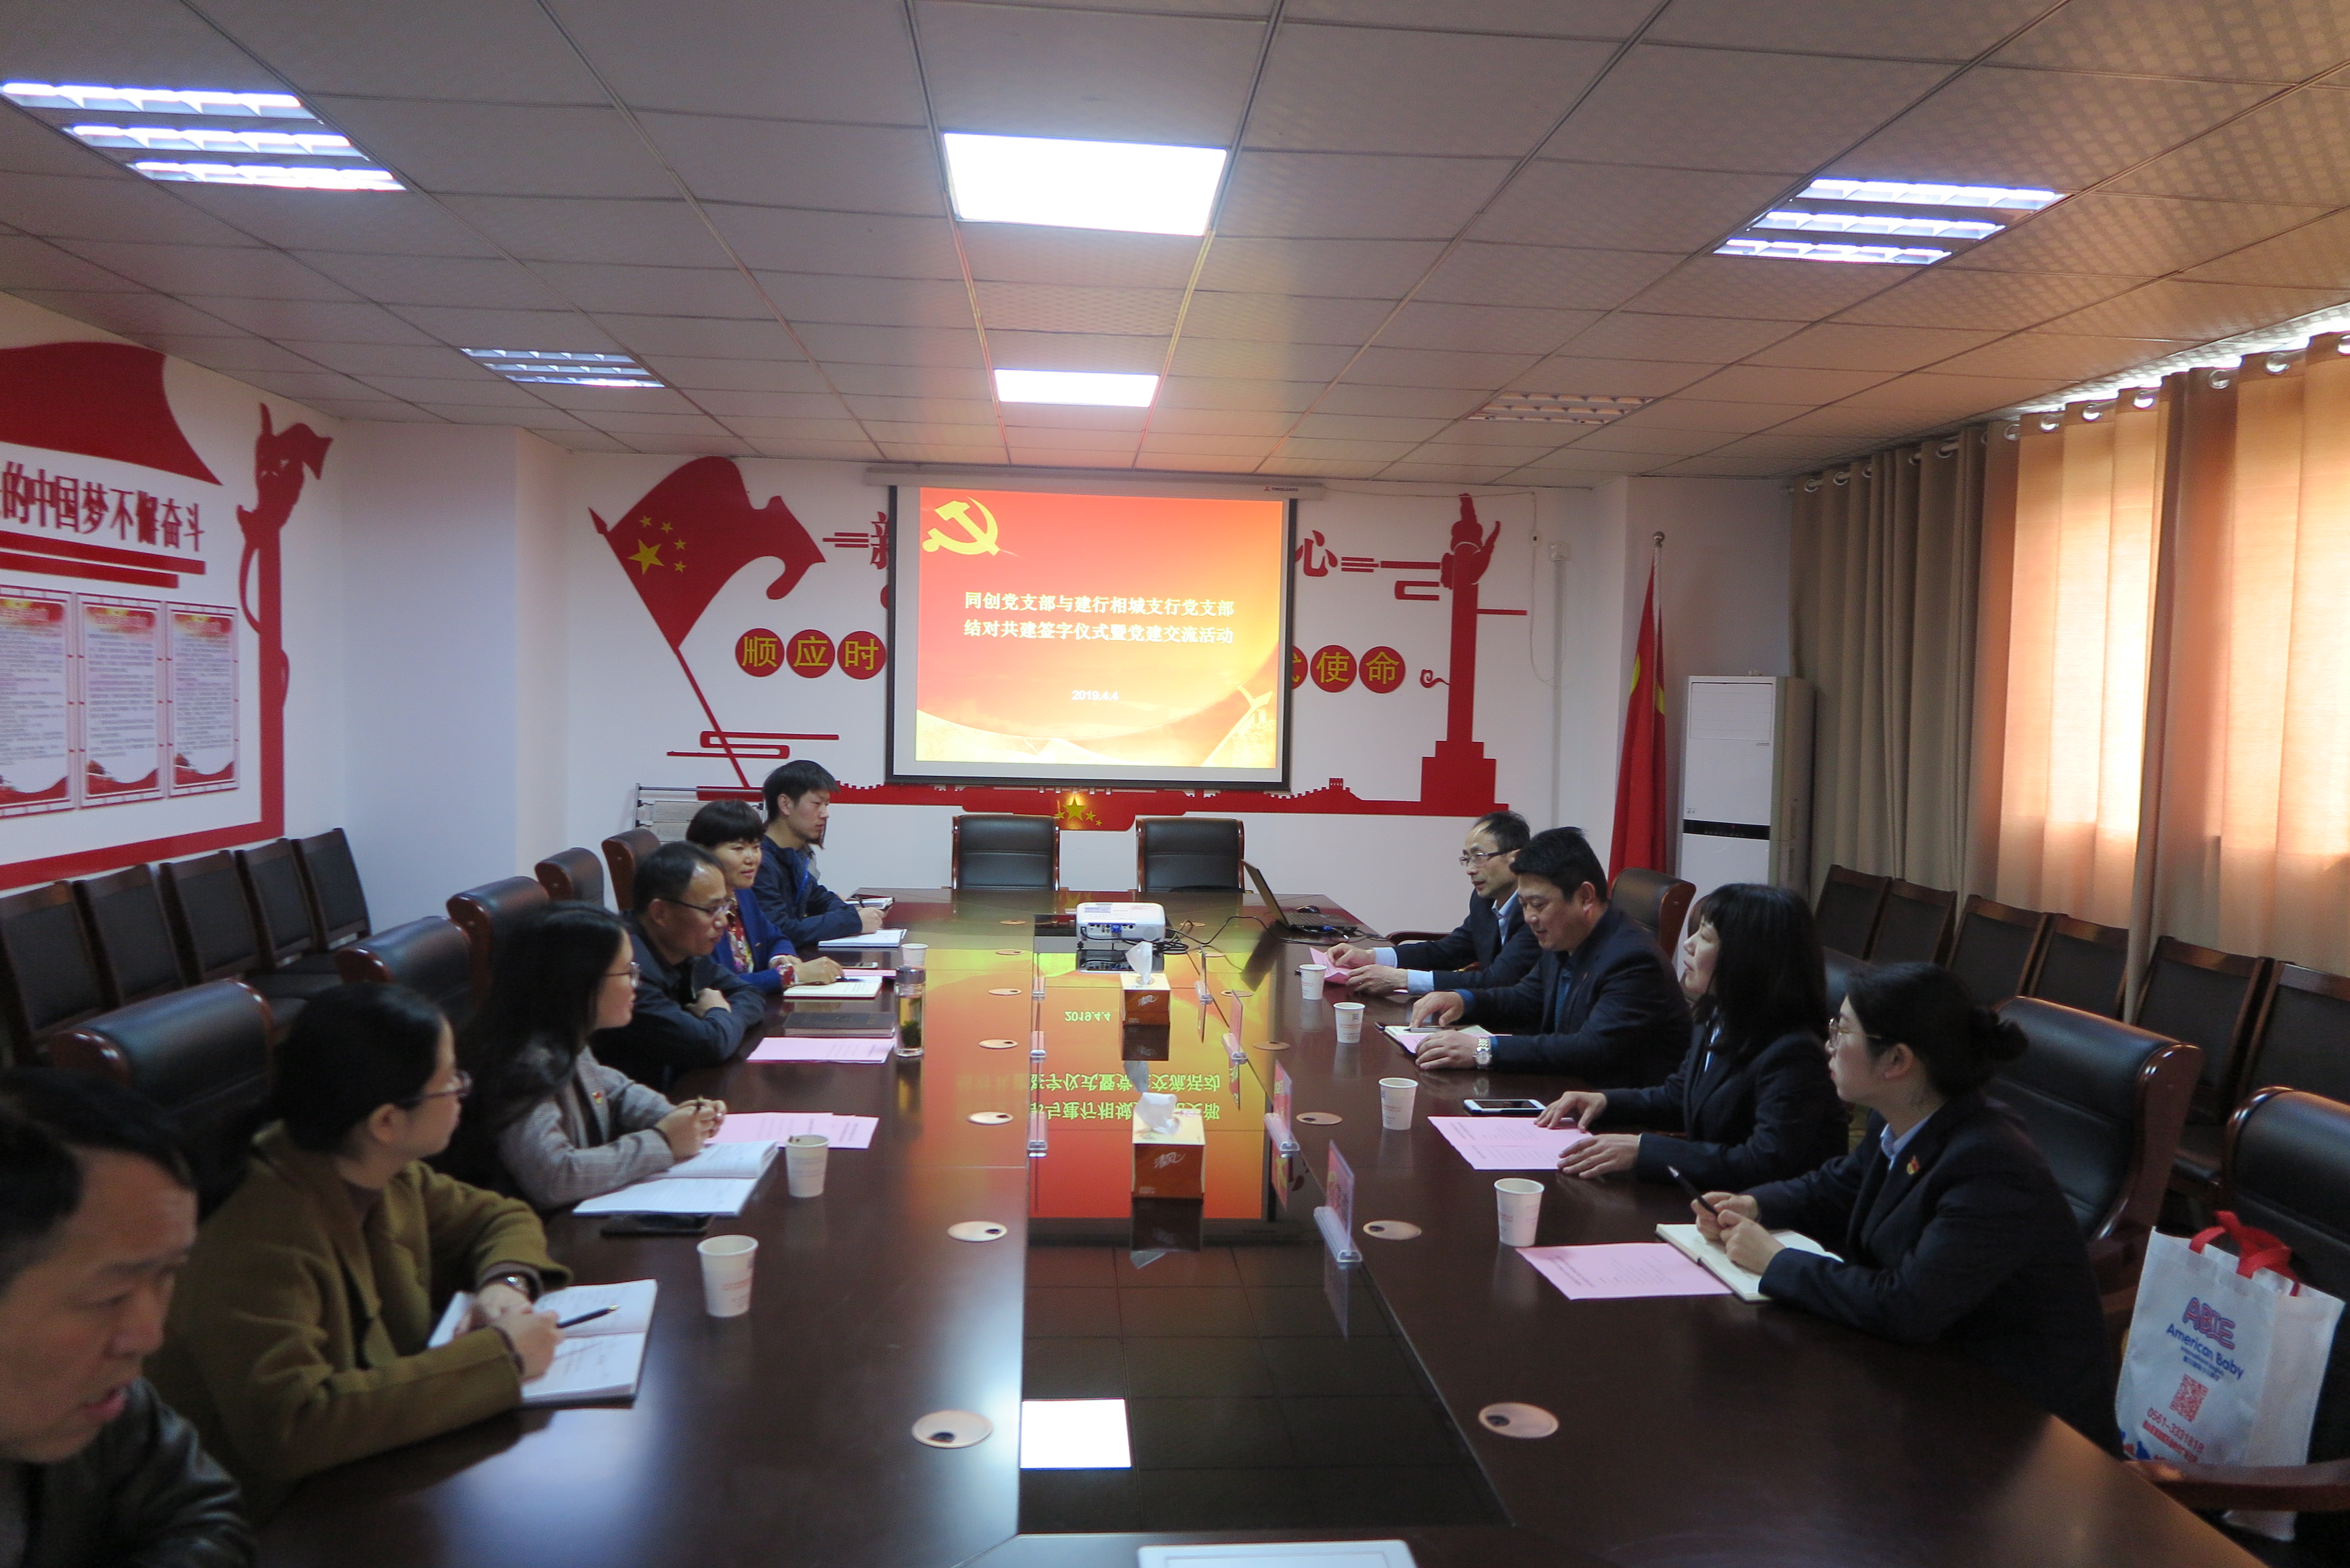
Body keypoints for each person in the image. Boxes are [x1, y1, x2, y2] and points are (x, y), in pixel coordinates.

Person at [150, 984, 571, 1518]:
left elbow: (498, 1217)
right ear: (386, 1122)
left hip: (370, 1469)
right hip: (275, 1520)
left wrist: (504, 1286)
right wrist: (502, 1358)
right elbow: (293, 1426)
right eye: (449, 1080)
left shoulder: (380, 1167)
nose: (463, 1089)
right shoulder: (258, 1227)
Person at [1698, 963, 2116, 1448]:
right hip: (1927, 1378)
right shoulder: (1901, 1118)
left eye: (1842, 1031)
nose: (1828, 1045)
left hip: (2020, 1429)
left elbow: (1906, 1306)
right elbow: (1837, 1187)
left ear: (1896, 1060)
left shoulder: (1991, 1164)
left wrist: (1776, 1261)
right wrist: (1755, 1204)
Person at [0, 1070, 251, 1567]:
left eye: (167, 1274)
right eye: (110, 1297)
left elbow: (204, 1516)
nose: (149, 1336)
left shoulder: (99, 1403)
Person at [1537, 883, 1847, 1187]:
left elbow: (1763, 1163)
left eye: (1706, 937)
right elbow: (1680, 1096)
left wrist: (1645, 1151)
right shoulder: (1718, 1014)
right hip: (1714, 1197)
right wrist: (1605, 1102)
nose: (1689, 943)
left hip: (1763, 1211)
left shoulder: (1794, 1053)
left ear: (1747, 958)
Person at [450, 903, 726, 1209]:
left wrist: (679, 1118)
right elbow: (555, 1177)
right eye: (627, 972)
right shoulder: (521, 1062)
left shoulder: (563, 1034)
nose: (636, 983)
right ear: (580, 982)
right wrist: (663, 1142)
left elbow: (615, 1093)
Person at [1407, 827, 1687, 1084]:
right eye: (1523, 904)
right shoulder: (1566, 937)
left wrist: (1483, 1049)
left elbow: (1592, 1048)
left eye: (1538, 904)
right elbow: (1526, 998)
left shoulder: (1633, 960)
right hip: (1563, 1089)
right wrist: (1462, 1000)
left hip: (1612, 1109)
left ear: (1585, 897)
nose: (1530, 917)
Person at [592, 840, 768, 1093]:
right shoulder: (627, 971)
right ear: (660, 913)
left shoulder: (681, 946)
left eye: (724, 906)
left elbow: (749, 993)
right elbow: (709, 1046)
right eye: (711, 909)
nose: (722, 921)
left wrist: (719, 1021)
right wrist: (719, 1012)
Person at [1327, 810, 1535, 998]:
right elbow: (1450, 951)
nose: (1470, 870)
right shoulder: (1484, 901)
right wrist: (1371, 956)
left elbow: (1498, 980)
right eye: (1467, 859)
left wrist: (1403, 979)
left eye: (1479, 857)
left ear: (1515, 858)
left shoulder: (1537, 914)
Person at [685, 799, 843, 996]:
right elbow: (714, 985)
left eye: (756, 847)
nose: (751, 858)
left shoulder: (742, 894)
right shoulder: (694, 910)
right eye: (738, 849)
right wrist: (791, 975)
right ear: (703, 852)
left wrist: (780, 958)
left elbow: (776, 937)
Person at [751, 760, 884, 952]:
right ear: (786, 804)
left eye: (827, 804)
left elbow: (820, 898)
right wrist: (853, 920)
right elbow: (780, 930)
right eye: (817, 804)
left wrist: (851, 913)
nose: (825, 814)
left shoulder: (795, 854)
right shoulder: (758, 861)